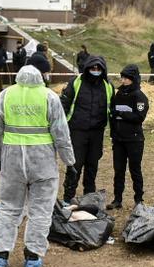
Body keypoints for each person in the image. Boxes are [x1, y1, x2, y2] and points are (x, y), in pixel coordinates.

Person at [0, 65, 75, 267]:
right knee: (41, 210)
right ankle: (33, 255)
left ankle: (1, 254)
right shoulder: (49, 97)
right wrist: (69, 161)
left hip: (12, 161)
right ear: (41, 76)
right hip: (42, 163)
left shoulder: (6, 95)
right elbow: (61, 132)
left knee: (8, 207)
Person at [59, 54, 113, 203]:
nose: (95, 70)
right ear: (87, 68)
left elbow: (112, 109)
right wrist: (61, 126)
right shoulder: (76, 82)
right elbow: (64, 104)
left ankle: (89, 197)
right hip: (77, 130)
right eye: (93, 68)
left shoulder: (108, 86)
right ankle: (67, 198)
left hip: (97, 132)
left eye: (98, 68)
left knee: (92, 165)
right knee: (75, 164)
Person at [109, 64, 149, 209]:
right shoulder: (119, 94)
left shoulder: (139, 96)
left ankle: (139, 199)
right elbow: (112, 113)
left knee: (135, 169)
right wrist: (113, 131)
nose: (124, 80)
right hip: (119, 139)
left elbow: (139, 117)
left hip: (134, 139)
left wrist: (121, 114)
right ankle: (117, 199)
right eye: (123, 77)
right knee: (118, 170)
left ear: (133, 79)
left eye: (127, 78)